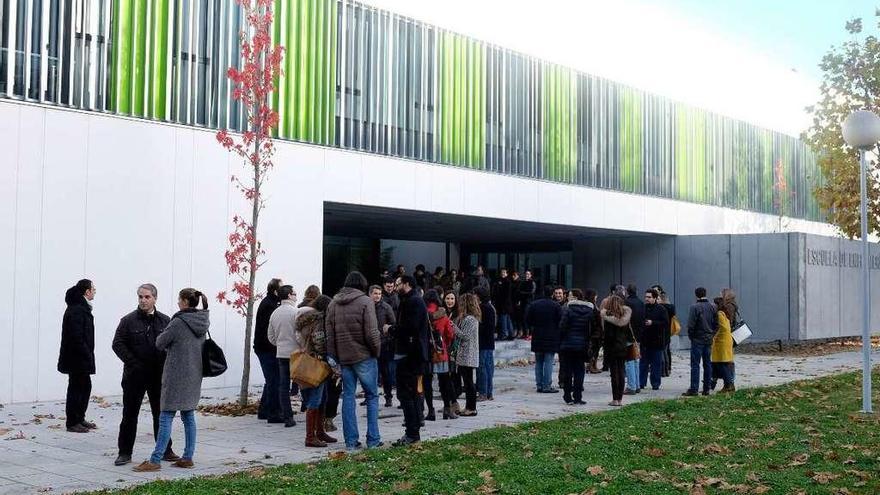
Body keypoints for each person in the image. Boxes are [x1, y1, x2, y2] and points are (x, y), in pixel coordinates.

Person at [133, 288, 209, 472]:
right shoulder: (202, 321)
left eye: (179, 299)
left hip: (175, 375)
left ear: (184, 301)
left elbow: (160, 342)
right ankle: (188, 457)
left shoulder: (178, 322)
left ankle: (155, 459)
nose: (177, 302)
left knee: (166, 415)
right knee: (188, 416)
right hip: (194, 374)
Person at [112, 283, 178, 466]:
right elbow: (117, 344)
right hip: (134, 376)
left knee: (161, 414)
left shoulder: (165, 321)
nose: (143, 300)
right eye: (140, 297)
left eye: (147, 297)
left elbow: (172, 345)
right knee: (129, 415)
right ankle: (124, 452)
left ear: (155, 298)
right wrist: (133, 363)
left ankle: (165, 449)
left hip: (158, 376)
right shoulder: (128, 320)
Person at [326, 272, 381, 450]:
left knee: (348, 396)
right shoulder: (366, 301)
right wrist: (376, 351)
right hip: (364, 355)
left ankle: (351, 441)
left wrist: (334, 357)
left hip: (344, 357)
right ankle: (373, 440)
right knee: (372, 396)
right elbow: (372, 333)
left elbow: (330, 335)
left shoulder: (333, 303)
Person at [393, 275, 431, 446]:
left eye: (398, 284)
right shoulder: (409, 300)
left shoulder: (413, 301)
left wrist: (391, 329)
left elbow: (411, 328)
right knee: (410, 394)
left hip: (410, 355)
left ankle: (412, 433)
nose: (395, 286)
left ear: (407, 284)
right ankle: (413, 431)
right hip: (409, 354)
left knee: (406, 394)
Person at [296, 295, 337, 447]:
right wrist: (327, 355)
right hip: (317, 362)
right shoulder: (318, 321)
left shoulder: (306, 319)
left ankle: (319, 432)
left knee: (322, 397)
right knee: (315, 400)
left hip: (309, 359)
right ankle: (310, 436)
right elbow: (319, 341)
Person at [58, 279, 97, 433]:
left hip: (80, 357)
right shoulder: (77, 310)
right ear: (86, 291)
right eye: (93, 289)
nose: (94, 291)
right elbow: (76, 337)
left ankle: (79, 418)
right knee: (76, 388)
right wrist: (86, 353)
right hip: (76, 358)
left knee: (84, 386)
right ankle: (72, 422)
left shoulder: (81, 308)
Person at [267, 285, 300, 428]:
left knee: (283, 386)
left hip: (281, 353)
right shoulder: (296, 312)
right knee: (304, 382)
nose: (296, 296)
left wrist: (280, 344)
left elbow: (271, 336)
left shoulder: (274, 313)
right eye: (294, 293)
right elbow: (300, 334)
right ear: (289, 296)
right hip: (297, 353)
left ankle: (287, 416)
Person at [254, 278, 283, 424]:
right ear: (276, 291)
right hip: (267, 348)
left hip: (264, 347)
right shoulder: (270, 305)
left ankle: (264, 410)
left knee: (271, 379)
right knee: (274, 380)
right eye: (281, 288)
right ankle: (273, 413)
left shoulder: (269, 303)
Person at [425, 290, 457, 420]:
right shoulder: (443, 315)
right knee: (444, 382)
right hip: (440, 353)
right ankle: (447, 409)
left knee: (427, 383)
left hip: (426, 353)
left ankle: (431, 411)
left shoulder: (423, 314)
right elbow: (450, 335)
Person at [558, 289, 595, 405]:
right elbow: (592, 329)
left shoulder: (568, 310)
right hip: (581, 346)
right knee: (579, 371)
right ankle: (578, 397)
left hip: (567, 345)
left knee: (568, 371)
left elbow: (562, 327)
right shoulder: (589, 311)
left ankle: (568, 396)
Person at [525, 286, 562, 393]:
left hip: (537, 335)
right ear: (552, 294)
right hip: (551, 336)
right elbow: (561, 320)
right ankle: (546, 385)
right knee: (549, 362)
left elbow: (527, 319)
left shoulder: (534, 305)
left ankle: (539, 385)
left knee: (539, 362)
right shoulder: (556, 306)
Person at [683, 287, 718, 397]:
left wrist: (692, 337)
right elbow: (716, 324)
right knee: (707, 364)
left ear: (696, 295)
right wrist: (712, 334)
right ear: (705, 293)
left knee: (695, 364)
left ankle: (694, 388)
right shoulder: (713, 307)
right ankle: (706, 389)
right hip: (708, 339)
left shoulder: (694, 307)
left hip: (697, 339)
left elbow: (691, 325)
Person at [600, 295, 633, 407]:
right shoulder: (625, 315)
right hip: (623, 346)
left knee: (614, 374)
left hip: (612, 348)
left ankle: (615, 399)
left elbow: (608, 335)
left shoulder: (607, 316)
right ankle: (620, 399)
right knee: (622, 372)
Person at [370, 285, 397, 407]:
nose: (377, 296)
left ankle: (388, 396)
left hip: (383, 344)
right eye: (375, 293)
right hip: (369, 344)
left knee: (385, 373)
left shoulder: (386, 307)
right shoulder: (366, 306)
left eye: (379, 294)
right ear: (370, 294)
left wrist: (387, 336)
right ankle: (369, 396)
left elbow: (393, 324)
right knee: (370, 373)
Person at [454, 294, 481, 417]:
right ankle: (469, 406)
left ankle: (471, 408)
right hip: (465, 354)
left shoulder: (470, 319)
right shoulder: (467, 318)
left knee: (469, 382)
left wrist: (453, 327)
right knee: (467, 381)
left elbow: (465, 336)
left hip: (468, 354)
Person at [640, 289, 669, 391]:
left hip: (657, 341)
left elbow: (665, 323)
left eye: (649, 297)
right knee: (643, 363)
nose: (646, 299)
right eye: (646, 297)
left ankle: (655, 384)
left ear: (655, 298)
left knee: (656, 364)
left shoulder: (661, 309)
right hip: (645, 341)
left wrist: (653, 322)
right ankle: (641, 383)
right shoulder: (643, 308)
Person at [711, 289, 737, 392]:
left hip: (722, 342)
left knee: (724, 364)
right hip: (724, 341)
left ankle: (729, 384)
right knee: (723, 363)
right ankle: (727, 384)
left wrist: (713, 337)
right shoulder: (723, 313)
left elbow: (724, 328)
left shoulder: (720, 314)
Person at [474, 287, 497, 401]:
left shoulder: (483, 307)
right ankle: (488, 392)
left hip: (483, 342)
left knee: (482, 367)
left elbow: (484, 326)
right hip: (488, 342)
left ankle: (483, 392)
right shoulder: (490, 307)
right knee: (488, 367)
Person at [623, 284, 645, 395]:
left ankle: (631, 386)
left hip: (628, 335)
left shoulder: (626, 303)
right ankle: (637, 385)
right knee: (636, 360)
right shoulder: (641, 303)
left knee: (629, 361)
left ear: (627, 291)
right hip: (638, 336)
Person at [654, 287, 676, 378]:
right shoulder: (671, 307)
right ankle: (667, 369)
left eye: (658, 298)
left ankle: (662, 370)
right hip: (667, 331)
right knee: (666, 351)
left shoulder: (661, 308)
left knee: (662, 351)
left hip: (661, 331)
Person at [492, 268, 514, 340]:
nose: (503, 274)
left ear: (507, 274)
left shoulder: (507, 282)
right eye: (502, 272)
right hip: (503, 304)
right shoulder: (499, 281)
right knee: (507, 319)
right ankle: (510, 334)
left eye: (504, 272)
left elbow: (506, 294)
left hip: (504, 304)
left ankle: (504, 334)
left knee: (503, 319)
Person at [518, 270, 537, 339]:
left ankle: (530, 334)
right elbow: (519, 291)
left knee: (527, 318)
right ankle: (525, 333)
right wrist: (524, 293)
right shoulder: (522, 282)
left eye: (528, 274)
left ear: (531, 275)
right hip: (523, 302)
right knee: (522, 318)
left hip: (529, 302)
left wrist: (523, 293)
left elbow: (531, 292)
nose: (527, 275)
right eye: (526, 274)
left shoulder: (532, 283)